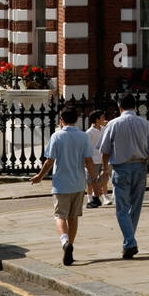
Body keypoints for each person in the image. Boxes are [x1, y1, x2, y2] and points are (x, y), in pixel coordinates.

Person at [30, 106, 97, 265]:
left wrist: (40, 176)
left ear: (61, 120)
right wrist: (95, 179)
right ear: (76, 119)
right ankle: (71, 248)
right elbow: (89, 160)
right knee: (73, 217)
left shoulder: (57, 136)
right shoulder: (83, 136)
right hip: (78, 183)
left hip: (61, 184)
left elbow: (49, 161)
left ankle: (65, 242)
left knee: (60, 216)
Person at [98, 93, 149, 259]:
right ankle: (129, 241)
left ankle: (130, 242)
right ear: (135, 106)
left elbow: (104, 151)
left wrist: (105, 169)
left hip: (121, 168)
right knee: (135, 207)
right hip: (140, 167)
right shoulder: (146, 124)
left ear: (120, 107)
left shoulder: (113, 124)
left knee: (121, 209)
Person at [85, 109, 111, 208]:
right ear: (96, 119)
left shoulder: (104, 129)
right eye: (102, 117)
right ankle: (90, 198)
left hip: (103, 159)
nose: (104, 119)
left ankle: (105, 196)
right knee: (91, 181)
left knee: (104, 179)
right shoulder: (89, 132)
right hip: (93, 160)